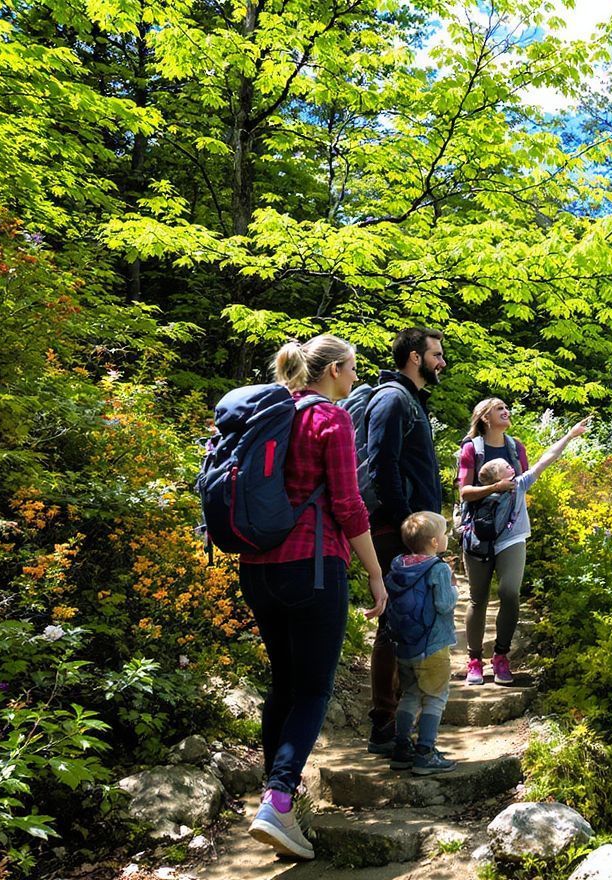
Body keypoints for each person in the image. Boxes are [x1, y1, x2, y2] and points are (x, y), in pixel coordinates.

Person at [240, 335, 387, 861]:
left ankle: (278, 800)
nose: (355, 379)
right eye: (352, 370)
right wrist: (375, 573)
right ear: (333, 370)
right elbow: (348, 505)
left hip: (257, 569)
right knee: (313, 690)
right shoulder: (332, 418)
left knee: (283, 684)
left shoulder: (269, 412)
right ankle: (279, 800)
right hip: (314, 566)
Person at [458, 403, 591, 685]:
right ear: (485, 417)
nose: (506, 411)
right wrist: (493, 489)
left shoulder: (516, 449)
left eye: (507, 407)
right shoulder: (472, 449)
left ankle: (501, 656)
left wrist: (569, 436)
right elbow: (464, 493)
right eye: (499, 408)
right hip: (478, 535)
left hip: (512, 536)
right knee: (478, 598)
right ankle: (474, 660)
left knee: (509, 592)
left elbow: (544, 462)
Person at [363, 328, 446, 754]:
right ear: (415, 357)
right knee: (395, 626)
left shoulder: (410, 400)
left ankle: (400, 726)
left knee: (407, 624)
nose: (441, 362)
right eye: (436, 354)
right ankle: (386, 726)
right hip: (397, 531)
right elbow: (382, 467)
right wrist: (408, 523)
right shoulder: (394, 399)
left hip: (408, 529)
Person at [383, 511, 458, 775]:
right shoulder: (438, 568)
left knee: (410, 694)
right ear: (435, 543)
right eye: (445, 533)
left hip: (405, 646)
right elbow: (444, 604)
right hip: (433, 646)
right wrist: (455, 588)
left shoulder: (399, 564)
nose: (447, 537)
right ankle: (425, 752)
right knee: (435, 697)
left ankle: (402, 748)